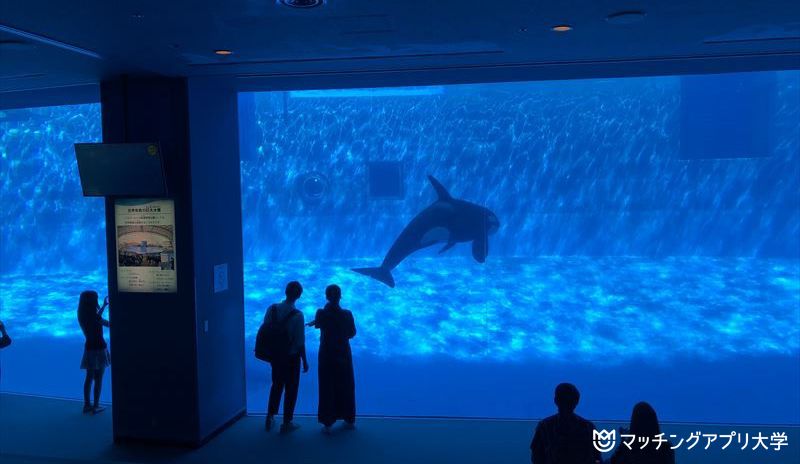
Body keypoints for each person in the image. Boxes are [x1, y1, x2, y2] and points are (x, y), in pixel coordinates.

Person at [307, 284, 357, 433]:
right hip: (343, 354)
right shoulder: (347, 314)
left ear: (327, 296)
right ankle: (348, 417)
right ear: (340, 296)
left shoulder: (321, 313)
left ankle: (328, 420)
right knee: (346, 385)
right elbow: (352, 333)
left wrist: (318, 320)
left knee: (327, 385)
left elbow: (322, 322)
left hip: (327, 354)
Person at [265, 281, 309, 433]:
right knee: (291, 388)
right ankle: (286, 422)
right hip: (291, 358)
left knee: (276, 385)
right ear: (299, 296)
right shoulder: (298, 315)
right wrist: (304, 360)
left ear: (285, 292)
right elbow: (300, 342)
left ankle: (269, 417)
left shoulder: (272, 309)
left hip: (276, 356)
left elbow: (266, 330)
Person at [530, 383, 601, 464]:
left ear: (556, 400)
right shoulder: (588, 427)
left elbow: (536, 457)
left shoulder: (544, 426)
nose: (566, 404)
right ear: (576, 401)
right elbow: (597, 457)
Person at [77, 291, 110, 415]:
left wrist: (103, 306)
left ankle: (87, 405)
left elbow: (96, 318)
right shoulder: (95, 317)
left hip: (89, 348)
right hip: (100, 348)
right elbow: (106, 323)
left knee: (89, 378)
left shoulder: (82, 315)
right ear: (93, 301)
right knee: (99, 378)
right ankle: (96, 405)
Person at [610, 402, 675, 464]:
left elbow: (612, 462)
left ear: (634, 424)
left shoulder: (628, 448)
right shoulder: (666, 447)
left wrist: (623, 442)